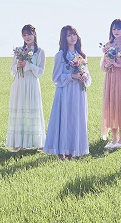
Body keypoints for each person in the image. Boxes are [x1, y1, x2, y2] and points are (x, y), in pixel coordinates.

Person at [44, 25, 91, 160]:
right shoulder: (60, 55)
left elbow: (88, 75)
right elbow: (56, 78)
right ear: (64, 38)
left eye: (74, 34)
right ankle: (61, 152)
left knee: (75, 119)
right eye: (69, 35)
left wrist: (84, 77)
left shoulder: (81, 55)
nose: (72, 37)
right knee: (64, 119)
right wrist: (72, 76)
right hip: (65, 92)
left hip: (78, 93)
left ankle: (72, 151)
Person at [6, 24, 46, 151]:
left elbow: (40, 72)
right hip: (19, 83)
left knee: (33, 109)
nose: (27, 37)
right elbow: (11, 70)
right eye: (24, 35)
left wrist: (28, 65)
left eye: (29, 34)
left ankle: (38, 142)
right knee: (19, 109)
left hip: (32, 83)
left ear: (34, 34)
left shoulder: (40, 51)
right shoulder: (19, 50)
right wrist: (18, 65)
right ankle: (17, 142)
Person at [100, 19, 121, 149]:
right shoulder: (108, 45)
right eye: (114, 29)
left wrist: (118, 64)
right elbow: (102, 65)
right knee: (111, 107)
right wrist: (107, 65)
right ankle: (114, 138)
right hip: (110, 78)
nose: (116, 31)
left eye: (119, 29)